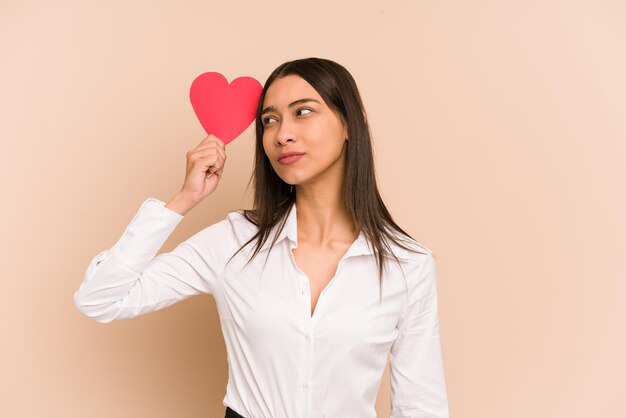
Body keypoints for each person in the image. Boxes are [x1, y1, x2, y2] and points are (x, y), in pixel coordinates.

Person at [74, 57, 449, 418]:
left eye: (303, 112)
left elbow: (421, 407)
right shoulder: (234, 242)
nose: (282, 134)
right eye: (269, 120)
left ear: (351, 123)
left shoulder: (407, 264)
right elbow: (100, 299)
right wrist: (183, 200)